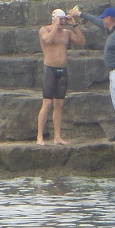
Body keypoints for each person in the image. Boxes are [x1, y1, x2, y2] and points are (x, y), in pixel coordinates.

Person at [71, 6, 115, 141]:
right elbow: (96, 21)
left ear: (109, 18)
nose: (102, 20)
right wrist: (79, 14)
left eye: (104, 18)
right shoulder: (111, 31)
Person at [37, 9, 85, 145]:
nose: (63, 22)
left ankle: (57, 137)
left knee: (59, 104)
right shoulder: (44, 30)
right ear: (54, 18)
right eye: (61, 19)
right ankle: (39, 136)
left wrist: (74, 24)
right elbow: (48, 40)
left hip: (62, 70)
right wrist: (56, 25)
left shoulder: (66, 33)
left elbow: (81, 42)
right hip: (49, 69)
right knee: (47, 103)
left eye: (64, 19)